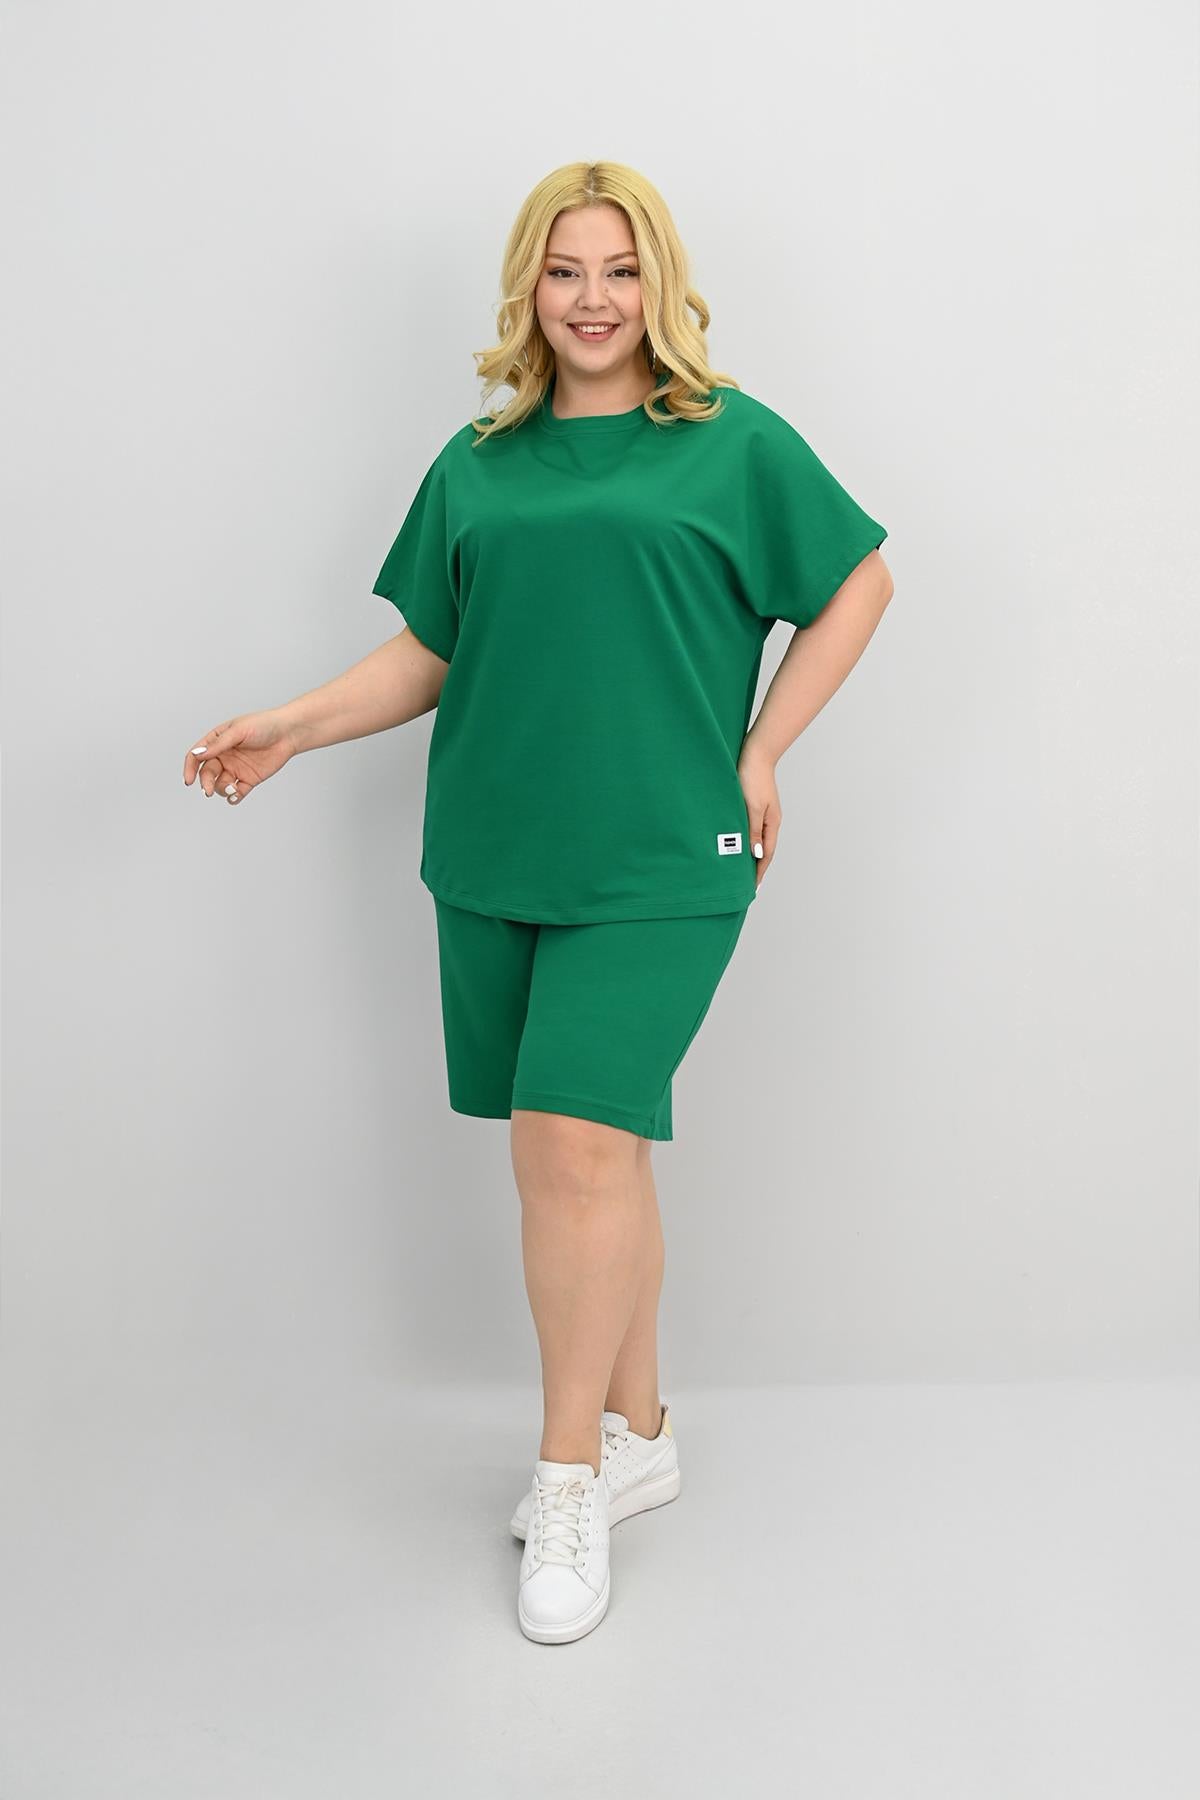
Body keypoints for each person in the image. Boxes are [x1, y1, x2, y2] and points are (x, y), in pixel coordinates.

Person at [181, 160, 894, 1646]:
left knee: (569, 1145)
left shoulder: (729, 440)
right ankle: (642, 1432)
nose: (593, 298)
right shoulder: (478, 462)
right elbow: (434, 651)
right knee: (594, 1155)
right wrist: (292, 726)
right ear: (529, 289)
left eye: (620, 270)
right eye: (565, 270)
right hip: (498, 852)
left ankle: (568, 1477)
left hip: (665, 857)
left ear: (661, 286)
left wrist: (762, 749)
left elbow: (859, 583)